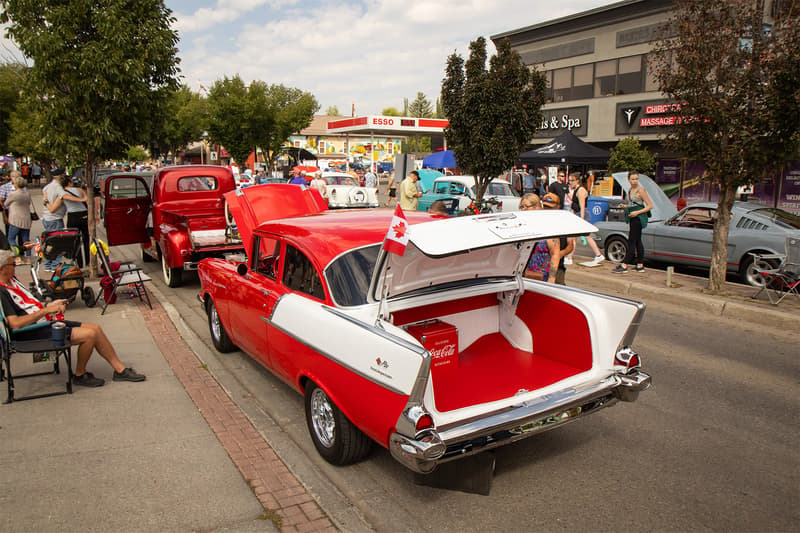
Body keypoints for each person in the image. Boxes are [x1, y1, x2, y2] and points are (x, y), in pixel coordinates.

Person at [0, 249, 145, 386]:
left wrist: (47, 306)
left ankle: (119, 370)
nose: (15, 267)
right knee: (89, 335)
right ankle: (79, 375)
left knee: (96, 328)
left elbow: (28, 306)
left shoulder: (12, 281)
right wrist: (46, 311)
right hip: (30, 332)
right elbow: (15, 323)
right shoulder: (2, 291)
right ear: (2, 269)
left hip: (41, 323)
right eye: (12, 264)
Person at [42, 170, 86, 271]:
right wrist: (82, 199)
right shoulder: (58, 188)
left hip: (47, 217)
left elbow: (45, 197)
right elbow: (64, 196)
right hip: (55, 218)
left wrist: (46, 202)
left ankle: (48, 264)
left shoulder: (48, 186)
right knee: (58, 243)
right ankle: (54, 265)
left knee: (50, 242)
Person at [613, 171, 653, 274]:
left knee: (632, 241)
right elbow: (633, 203)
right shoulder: (631, 189)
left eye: (636, 179)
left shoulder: (641, 190)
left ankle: (625, 264)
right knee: (638, 240)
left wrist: (637, 212)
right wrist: (625, 207)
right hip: (632, 216)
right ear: (628, 179)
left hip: (638, 218)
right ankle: (640, 264)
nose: (635, 181)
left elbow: (649, 206)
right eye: (633, 179)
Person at [568, 172, 605, 267]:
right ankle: (598, 254)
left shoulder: (580, 190)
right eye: (569, 181)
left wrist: (582, 219)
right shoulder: (576, 189)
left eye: (572, 180)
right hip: (578, 213)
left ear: (577, 180)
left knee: (577, 236)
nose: (570, 182)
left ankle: (569, 257)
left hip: (581, 214)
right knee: (581, 236)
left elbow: (582, 205)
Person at [522, 193, 559, 283]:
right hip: (522, 276)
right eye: (521, 207)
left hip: (541, 278)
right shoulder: (522, 226)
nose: (523, 209)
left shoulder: (547, 226)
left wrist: (552, 278)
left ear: (536, 207)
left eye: (527, 206)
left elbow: (555, 254)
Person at [541, 192, 575, 285]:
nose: (547, 210)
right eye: (545, 206)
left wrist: (558, 254)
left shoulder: (565, 223)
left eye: (550, 207)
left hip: (558, 267)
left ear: (558, 206)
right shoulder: (539, 221)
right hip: (539, 267)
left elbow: (570, 245)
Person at [62, 175, 90, 268]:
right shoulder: (79, 190)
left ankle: (79, 262)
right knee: (86, 239)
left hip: (72, 216)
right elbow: (87, 200)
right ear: (70, 183)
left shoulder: (62, 193)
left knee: (75, 240)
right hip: (83, 215)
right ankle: (88, 260)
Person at [4, 173, 32, 262]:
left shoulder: (14, 194)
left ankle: (16, 254)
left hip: (16, 219)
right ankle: (28, 256)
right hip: (26, 218)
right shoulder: (27, 193)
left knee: (11, 238)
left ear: (16, 184)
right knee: (25, 239)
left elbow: (5, 204)